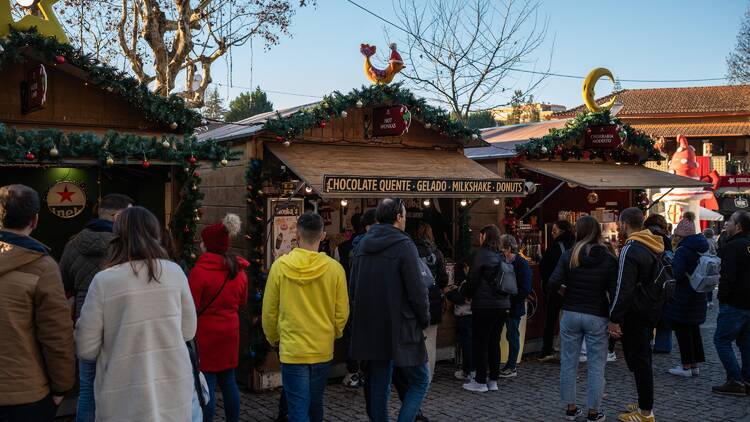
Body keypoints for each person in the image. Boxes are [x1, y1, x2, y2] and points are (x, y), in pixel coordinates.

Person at [75, 206, 197, 421]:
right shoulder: (175, 273)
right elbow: (188, 332)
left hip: (123, 393)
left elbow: (86, 348)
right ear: (155, 234)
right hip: (173, 386)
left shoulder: (104, 281)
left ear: (118, 236)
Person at [349, 198, 430, 422]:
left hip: (370, 327)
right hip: (401, 326)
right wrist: (424, 319)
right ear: (398, 218)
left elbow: (353, 289)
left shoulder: (362, 245)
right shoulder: (405, 246)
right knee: (420, 380)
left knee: (379, 386)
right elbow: (418, 291)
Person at [263, 212, 349, 422]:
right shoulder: (334, 269)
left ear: (296, 234)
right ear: (323, 235)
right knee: (315, 403)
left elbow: (269, 312)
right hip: (321, 347)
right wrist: (333, 333)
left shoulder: (280, 267)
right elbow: (342, 312)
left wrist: (275, 338)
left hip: (292, 348)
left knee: (297, 407)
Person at [0, 184, 75, 421]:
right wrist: (62, 387)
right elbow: (56, 334)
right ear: (34, 220)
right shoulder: (43, 267)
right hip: (24, 394)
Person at [58, 193, 133, 422]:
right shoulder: (128, 245)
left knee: (87, 390)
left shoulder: (74, 243)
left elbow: (64, 282)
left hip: (86, 322)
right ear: (118, 216)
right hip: (121, 324)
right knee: (124, 389)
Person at [548, 215, 617, 422]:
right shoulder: (607, 258)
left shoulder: (569, 255)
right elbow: (615, 292)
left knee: (569, 362)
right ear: (597, 232)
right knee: (596, 365)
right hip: (597, 314)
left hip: (570, 313)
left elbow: (552, 283)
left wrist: (566, 292)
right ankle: (594, 412)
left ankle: (571, 408)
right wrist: (615, 318)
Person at [189, 214, 248, 422]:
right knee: (229, 381)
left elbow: (191, 307)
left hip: (206, 333)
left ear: (207, 245)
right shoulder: (239, 271)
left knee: (208, 384)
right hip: (231, 331)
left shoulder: (199, 272)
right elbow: (242, 301)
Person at [609, 207, 664, 422]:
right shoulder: (651, 243)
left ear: (623, 224)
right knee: (641, 359)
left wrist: (614, 317)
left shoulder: (630, 248)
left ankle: (645, 412)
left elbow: (623, 286)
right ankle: (644, 401)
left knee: (640, 361)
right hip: (649, 309)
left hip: (636, 312)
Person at [462, 225, 510, 393]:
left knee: (481, 342)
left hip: (484, 305)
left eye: (480, 235)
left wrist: (465, 294)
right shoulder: (501, 255)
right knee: (494, 343)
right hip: (502, 305)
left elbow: (472, 279)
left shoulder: (481, 254)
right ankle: (493, 380)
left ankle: (480, 381)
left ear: (484, 236)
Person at [662, 216, 709, 379]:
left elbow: (678, 273)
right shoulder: (702, 247)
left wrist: (671, 262)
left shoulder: (683, 250)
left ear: (681, 236)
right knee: (693, 329)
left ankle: (686, 365)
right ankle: (695, 365)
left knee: (683, 330)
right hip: (698, 293)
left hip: (683, 296)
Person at [712, 211, 750, 395]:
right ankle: (747, 379)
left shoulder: (733, 246)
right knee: (746, 342)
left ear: (739, 226)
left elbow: (727, 277)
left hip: (735, 302)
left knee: (721, 340)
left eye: (730, 221)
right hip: (747, 302)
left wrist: (723, 297)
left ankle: (735, 380)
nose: (726, 223)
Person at [342, 209, 377, 388]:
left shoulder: (343, 247)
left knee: (353, 336)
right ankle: (367, 371)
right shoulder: (377, 246)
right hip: (370, 299)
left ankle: (353, 372)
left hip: (349, 296)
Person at [413, 221, 449, 381]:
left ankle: (414, 375)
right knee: (430, 341)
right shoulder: (438, 253)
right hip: (433, 300)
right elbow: (443, 280)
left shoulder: (411, 251)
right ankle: (428, 375)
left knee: (413, 340)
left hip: (415, 300)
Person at [539, 220, 575, 362]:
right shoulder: (576, 245)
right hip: (573, 288)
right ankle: (569, 348)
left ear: (562, 232)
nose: (552, 234)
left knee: (551, 319)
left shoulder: (554, 247)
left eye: (554, 231)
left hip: (556, 288)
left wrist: (549, 285)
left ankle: (547, 348)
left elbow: (544, 268)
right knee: (569, 319)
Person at [499, 234, 532, 378]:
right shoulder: (501, 260)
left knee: (512, 335)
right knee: (502, 335)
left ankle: (511, 366)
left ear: (507, 248)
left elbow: (525, 288)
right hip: (501, 304)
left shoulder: (521, 263)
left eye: (502, 248)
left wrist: (513, 298)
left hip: (514, 305)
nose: (501, 251)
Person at [644, 213, 674, 355]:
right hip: (664, 278)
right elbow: (669, 259)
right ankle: (663, 345)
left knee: (648, 311)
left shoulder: (644, 236)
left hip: (648, 278)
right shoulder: (665, 238)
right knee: (665, 312)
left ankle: (647, 340)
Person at [446, 260, 473, 382]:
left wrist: (448, 293)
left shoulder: (469, 282)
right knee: (469, 343)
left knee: (467, 344)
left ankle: (468, 370)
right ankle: (470, 369)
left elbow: (462, 299)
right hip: (469, 315)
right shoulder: (469, 281)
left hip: (466, 315)